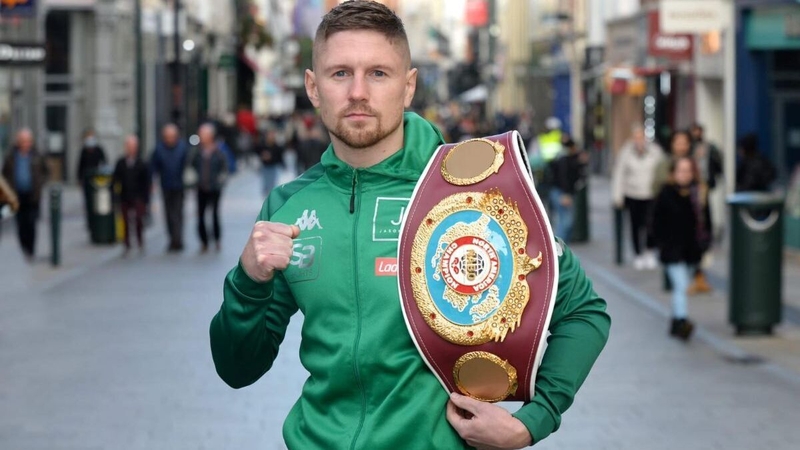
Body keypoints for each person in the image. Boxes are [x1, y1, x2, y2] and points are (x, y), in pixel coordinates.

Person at [209, 2, 610, 449]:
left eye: (378, 73)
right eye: (340, 73)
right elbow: (238, 369)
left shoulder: (473, 190)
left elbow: (583, 311)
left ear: (408, 86)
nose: (358, 92)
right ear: (313, 86)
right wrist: (248, 280)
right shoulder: (289, 207)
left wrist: (533, 421)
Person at [652, 156, 709, 340]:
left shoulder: (697, 194)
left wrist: (705, 244)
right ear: (673, 173)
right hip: (672, 250)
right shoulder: (666, 193)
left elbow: (706, 222)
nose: (684, 175)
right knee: (681, 285)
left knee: (681, 286)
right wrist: (658, 244)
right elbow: (655, 222)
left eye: (688, 171)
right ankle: (682, 321)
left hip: (692, 251)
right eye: (681, 171)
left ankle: (675, 322)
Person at [654, 130, 713, 294]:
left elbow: (703, 186)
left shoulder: (694, 164)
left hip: (691, 230)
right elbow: (657, 192)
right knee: (677, 273)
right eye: (678, 142)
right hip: (671, 227)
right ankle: (677, 305)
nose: (681, 146)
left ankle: (687, 285)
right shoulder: (665, 165)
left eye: (684, 142)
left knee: (685, 269)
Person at [612, 125, 664, 270]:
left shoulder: (655, 152)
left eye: (641, 136)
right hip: (633, 194)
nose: (639, 140)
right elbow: (619, 174)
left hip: (651, 194)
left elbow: (661, 172)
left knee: (651, 224)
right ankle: (638, 254)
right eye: (636, 137)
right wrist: (618, 196)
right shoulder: (626, 152)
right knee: (635, 225)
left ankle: (649, 251)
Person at [1, 128, 49, 261]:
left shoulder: (37, 155)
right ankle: (24, 248)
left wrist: (40, 184)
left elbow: (46, 172)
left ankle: (30, 249)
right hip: (16, 196)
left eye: (27, 141)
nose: (25, 144)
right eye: (22, 141)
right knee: (20, 224)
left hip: (33, 195)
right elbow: (4, 175)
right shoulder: (11, 156)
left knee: (31, 223)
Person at [189, 123, 228, 252]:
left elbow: (224, 169)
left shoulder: (218, 152)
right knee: (200, 215)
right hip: (201, 187)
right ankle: (204, 241)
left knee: (215, 214)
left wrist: (220, 181)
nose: (201, 137)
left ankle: (217, 239)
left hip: (215, 188)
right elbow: (191, 166)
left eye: (204, 135)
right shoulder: (197, 152)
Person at [150, 123, 188, 252]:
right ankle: (172, 239)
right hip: (166, 185)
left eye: (172, 136)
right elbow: (153, 166)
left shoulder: (182, 148)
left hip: (179, 185)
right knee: (168, 214)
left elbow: (187, 165)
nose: (170, 139)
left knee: (177, 213)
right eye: (167, 136)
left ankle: (178, 240)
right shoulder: (159, 149)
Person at [113, 135, 150, 255]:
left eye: (133, 146)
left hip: (138, 196)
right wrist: (115, 197)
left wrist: (146, 199)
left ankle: (140, 241)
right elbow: (115, 180)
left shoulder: (141, 163)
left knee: (138, 219)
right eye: (129, 146)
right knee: (125, 221)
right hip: (125, 195)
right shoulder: (121, 163)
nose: (131, 149)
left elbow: (146, 182)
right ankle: (127, 244)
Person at [548, 138, 587, 242]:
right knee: (565, 221)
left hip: (564, 192)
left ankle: (560, 246)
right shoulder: (563, 160)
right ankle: (558, 247)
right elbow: (564, 177)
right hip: (561, 193)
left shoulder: (568, 158)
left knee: (566, 220)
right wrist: (565, 194)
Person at [76, 128, 108, 230]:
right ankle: (90, 222)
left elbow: (104, 163)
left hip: (97, 180)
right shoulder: (84, 151)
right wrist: (80, 179)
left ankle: (97, 222)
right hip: (87, 180)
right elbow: (80, 166)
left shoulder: (99, 149)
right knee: (88, 203)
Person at [255, 129, 285, 196]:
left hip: (273, 167)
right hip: (265, 167)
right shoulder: (262, 146)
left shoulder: (277, 147)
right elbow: (257, 153)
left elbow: (280, 157)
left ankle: (271, 196)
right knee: (265, 184)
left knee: (272, 183)